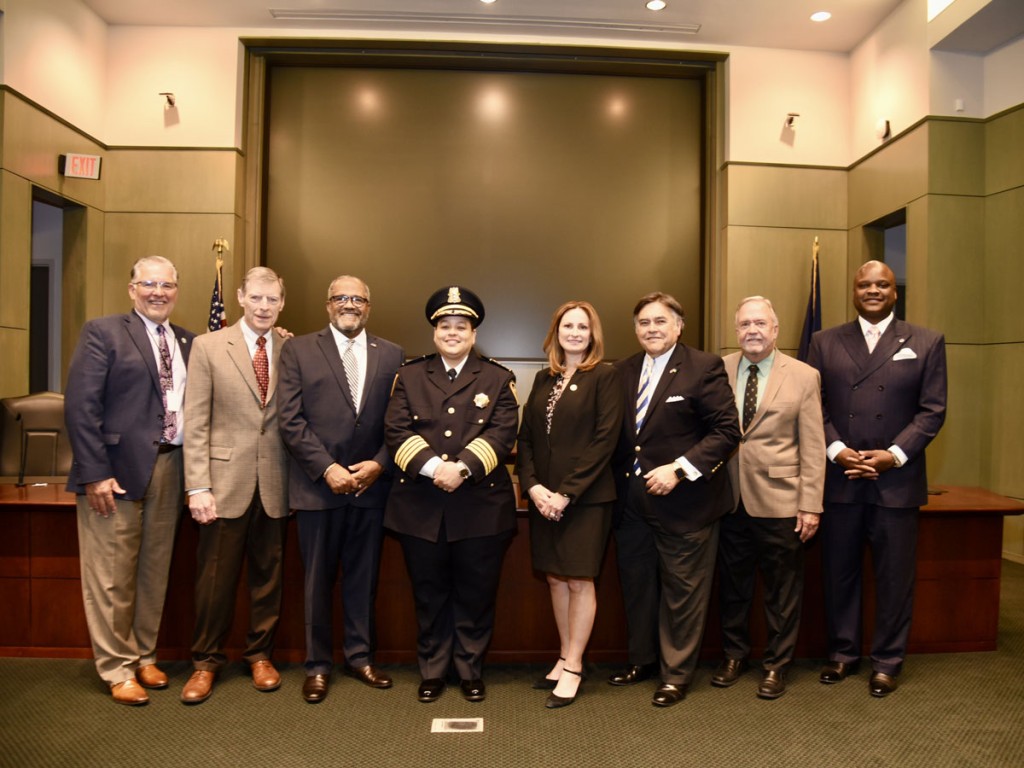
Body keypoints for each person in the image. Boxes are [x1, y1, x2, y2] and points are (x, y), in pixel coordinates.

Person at [807, 260, 946, 698]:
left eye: (881, 284)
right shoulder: (823, 341)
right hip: (841, 476)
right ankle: (843, 653)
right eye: (864, 284)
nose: (872, 290)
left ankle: (887, 661)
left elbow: (933, 410)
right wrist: (836, 449)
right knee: (840, 573)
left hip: (896, 482)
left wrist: (894, 455)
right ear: (853, 290)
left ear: (894, 291)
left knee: (894, 578)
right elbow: (813, 406)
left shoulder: (926, 341)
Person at [64, 255, 194, 706]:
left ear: (177, 289)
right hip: (114, 473)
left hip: (171, 466)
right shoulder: (103, 332)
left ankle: (143, 654)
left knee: (153, 571)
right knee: (111, 576)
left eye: (167, 285)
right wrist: (95, 472)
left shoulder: (187, 340)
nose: (158, 292)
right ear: (131, 288)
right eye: (149, 284)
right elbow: (81, 407)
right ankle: (116, 667)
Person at [384, 286, 518, 704]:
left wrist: (460, 468)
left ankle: (470, 669)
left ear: (474, 333)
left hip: (479, 508)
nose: (453, 333)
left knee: (476, 594)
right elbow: (395, 430)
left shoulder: (498, 377)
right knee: (429, 593)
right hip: (421, 506)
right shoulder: (408, 376)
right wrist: (433, 467)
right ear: (435, 332)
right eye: (445, 326)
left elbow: (503, 433)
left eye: (462, 326)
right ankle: (434, 670)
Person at [608, 291, 740, 707]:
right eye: (644, 322)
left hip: (687, 503)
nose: (651, 329)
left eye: (660, 321)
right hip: (631, 505)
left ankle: (676, 674)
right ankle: (643, 661)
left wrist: (680, 468)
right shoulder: (623, 370)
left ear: (678, 326)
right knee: (638, 587)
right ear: (635, 329)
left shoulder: (703, 367)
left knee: (683, 594)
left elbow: (726, 432)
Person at [277, 275, 404, 703]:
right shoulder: (296, 350)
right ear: (328, 304)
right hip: (318, 489)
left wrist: (380, 463)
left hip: (370, 489)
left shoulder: (392, 354)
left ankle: (360, 656)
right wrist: (326, 468)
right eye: (341, 298)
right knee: (316, 582)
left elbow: (400, 422)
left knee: (363, 579)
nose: (349, 304)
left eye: (358, 299)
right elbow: (290, 420)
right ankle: (316, 665)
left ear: (369, 306)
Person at [179, 267, 290, 704]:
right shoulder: (208, 346)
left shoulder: (291, 347)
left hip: (276, 482)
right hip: (222, 483)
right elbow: (196, 420)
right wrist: (197, 486)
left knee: (269, 578)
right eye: (257, 298)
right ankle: (205, 662)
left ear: (282, 302)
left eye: (272, 299)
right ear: (242, 297)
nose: (264, 306)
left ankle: (260, 655)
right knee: (214, 580)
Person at [713, 296, 825, 699]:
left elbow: (813, 444)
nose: (752, 331)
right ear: (736, 330)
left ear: (775, 330)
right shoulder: (718, 369)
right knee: (733, 585)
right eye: (744, 324)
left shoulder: (803, 375)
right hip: (728, 498)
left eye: (760, 323)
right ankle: (734, 655)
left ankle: (776, 664)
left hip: (781, 500)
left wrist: (810, 503)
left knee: (782, 589)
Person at [516, 301, 624, 709]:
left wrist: (566, 493)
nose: (575, 332)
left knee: (580, 580)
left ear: (593, 334)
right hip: (546, 500)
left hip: (586, 501)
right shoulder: (546, 378)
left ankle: (576, 665)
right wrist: (534, 488)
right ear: (556, 332)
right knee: (556, 579)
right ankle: (564, 656)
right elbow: (526, 440)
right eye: (568, 326)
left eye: (583, 326)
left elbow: (604, 441)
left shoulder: (605, 376)